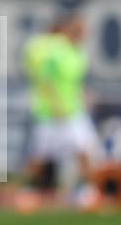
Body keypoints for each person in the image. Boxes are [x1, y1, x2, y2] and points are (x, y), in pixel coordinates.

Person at [21, 13, 99, 208]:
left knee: (84, 149)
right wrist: (55, 103)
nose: (85, 33)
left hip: (73, 111)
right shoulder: (55, 49)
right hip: (50, 112)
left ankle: (85, 191)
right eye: (81, 29)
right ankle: (28, 190)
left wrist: (84, 95)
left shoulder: (79, 52)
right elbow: (45, 79)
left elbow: (74, 82)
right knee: (40, 155)